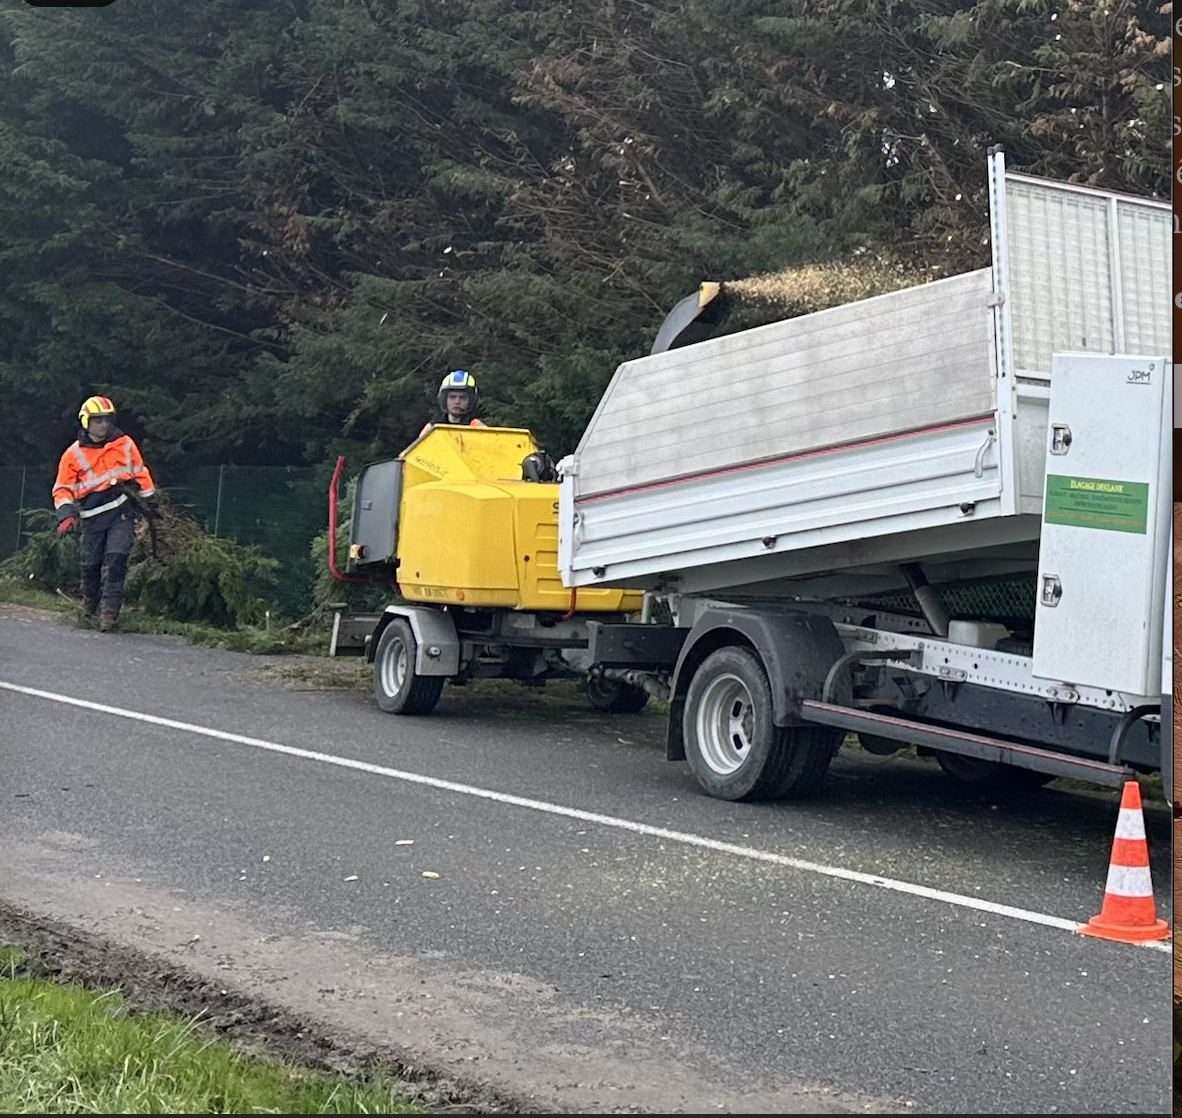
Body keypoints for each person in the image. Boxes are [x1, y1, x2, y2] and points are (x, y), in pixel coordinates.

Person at [52, 395, 157, 632]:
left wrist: (151, 501)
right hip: (91, 516)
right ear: (86, 422)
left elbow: (140, 472)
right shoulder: (73, 454)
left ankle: (110, 612)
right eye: (98, 420)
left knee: (116, 558)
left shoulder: (125, 443)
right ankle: (90, 602)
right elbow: (63, 488)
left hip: (121, 509)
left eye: (107, 420)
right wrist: (66, 514)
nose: (103, 425)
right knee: (90, 564)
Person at [419, 370, 487, 436]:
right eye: (452, 397)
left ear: (470, 401)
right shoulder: (432, 429)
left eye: (462, 397)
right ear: (445, 399)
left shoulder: (478, 428)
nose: (457, 402)